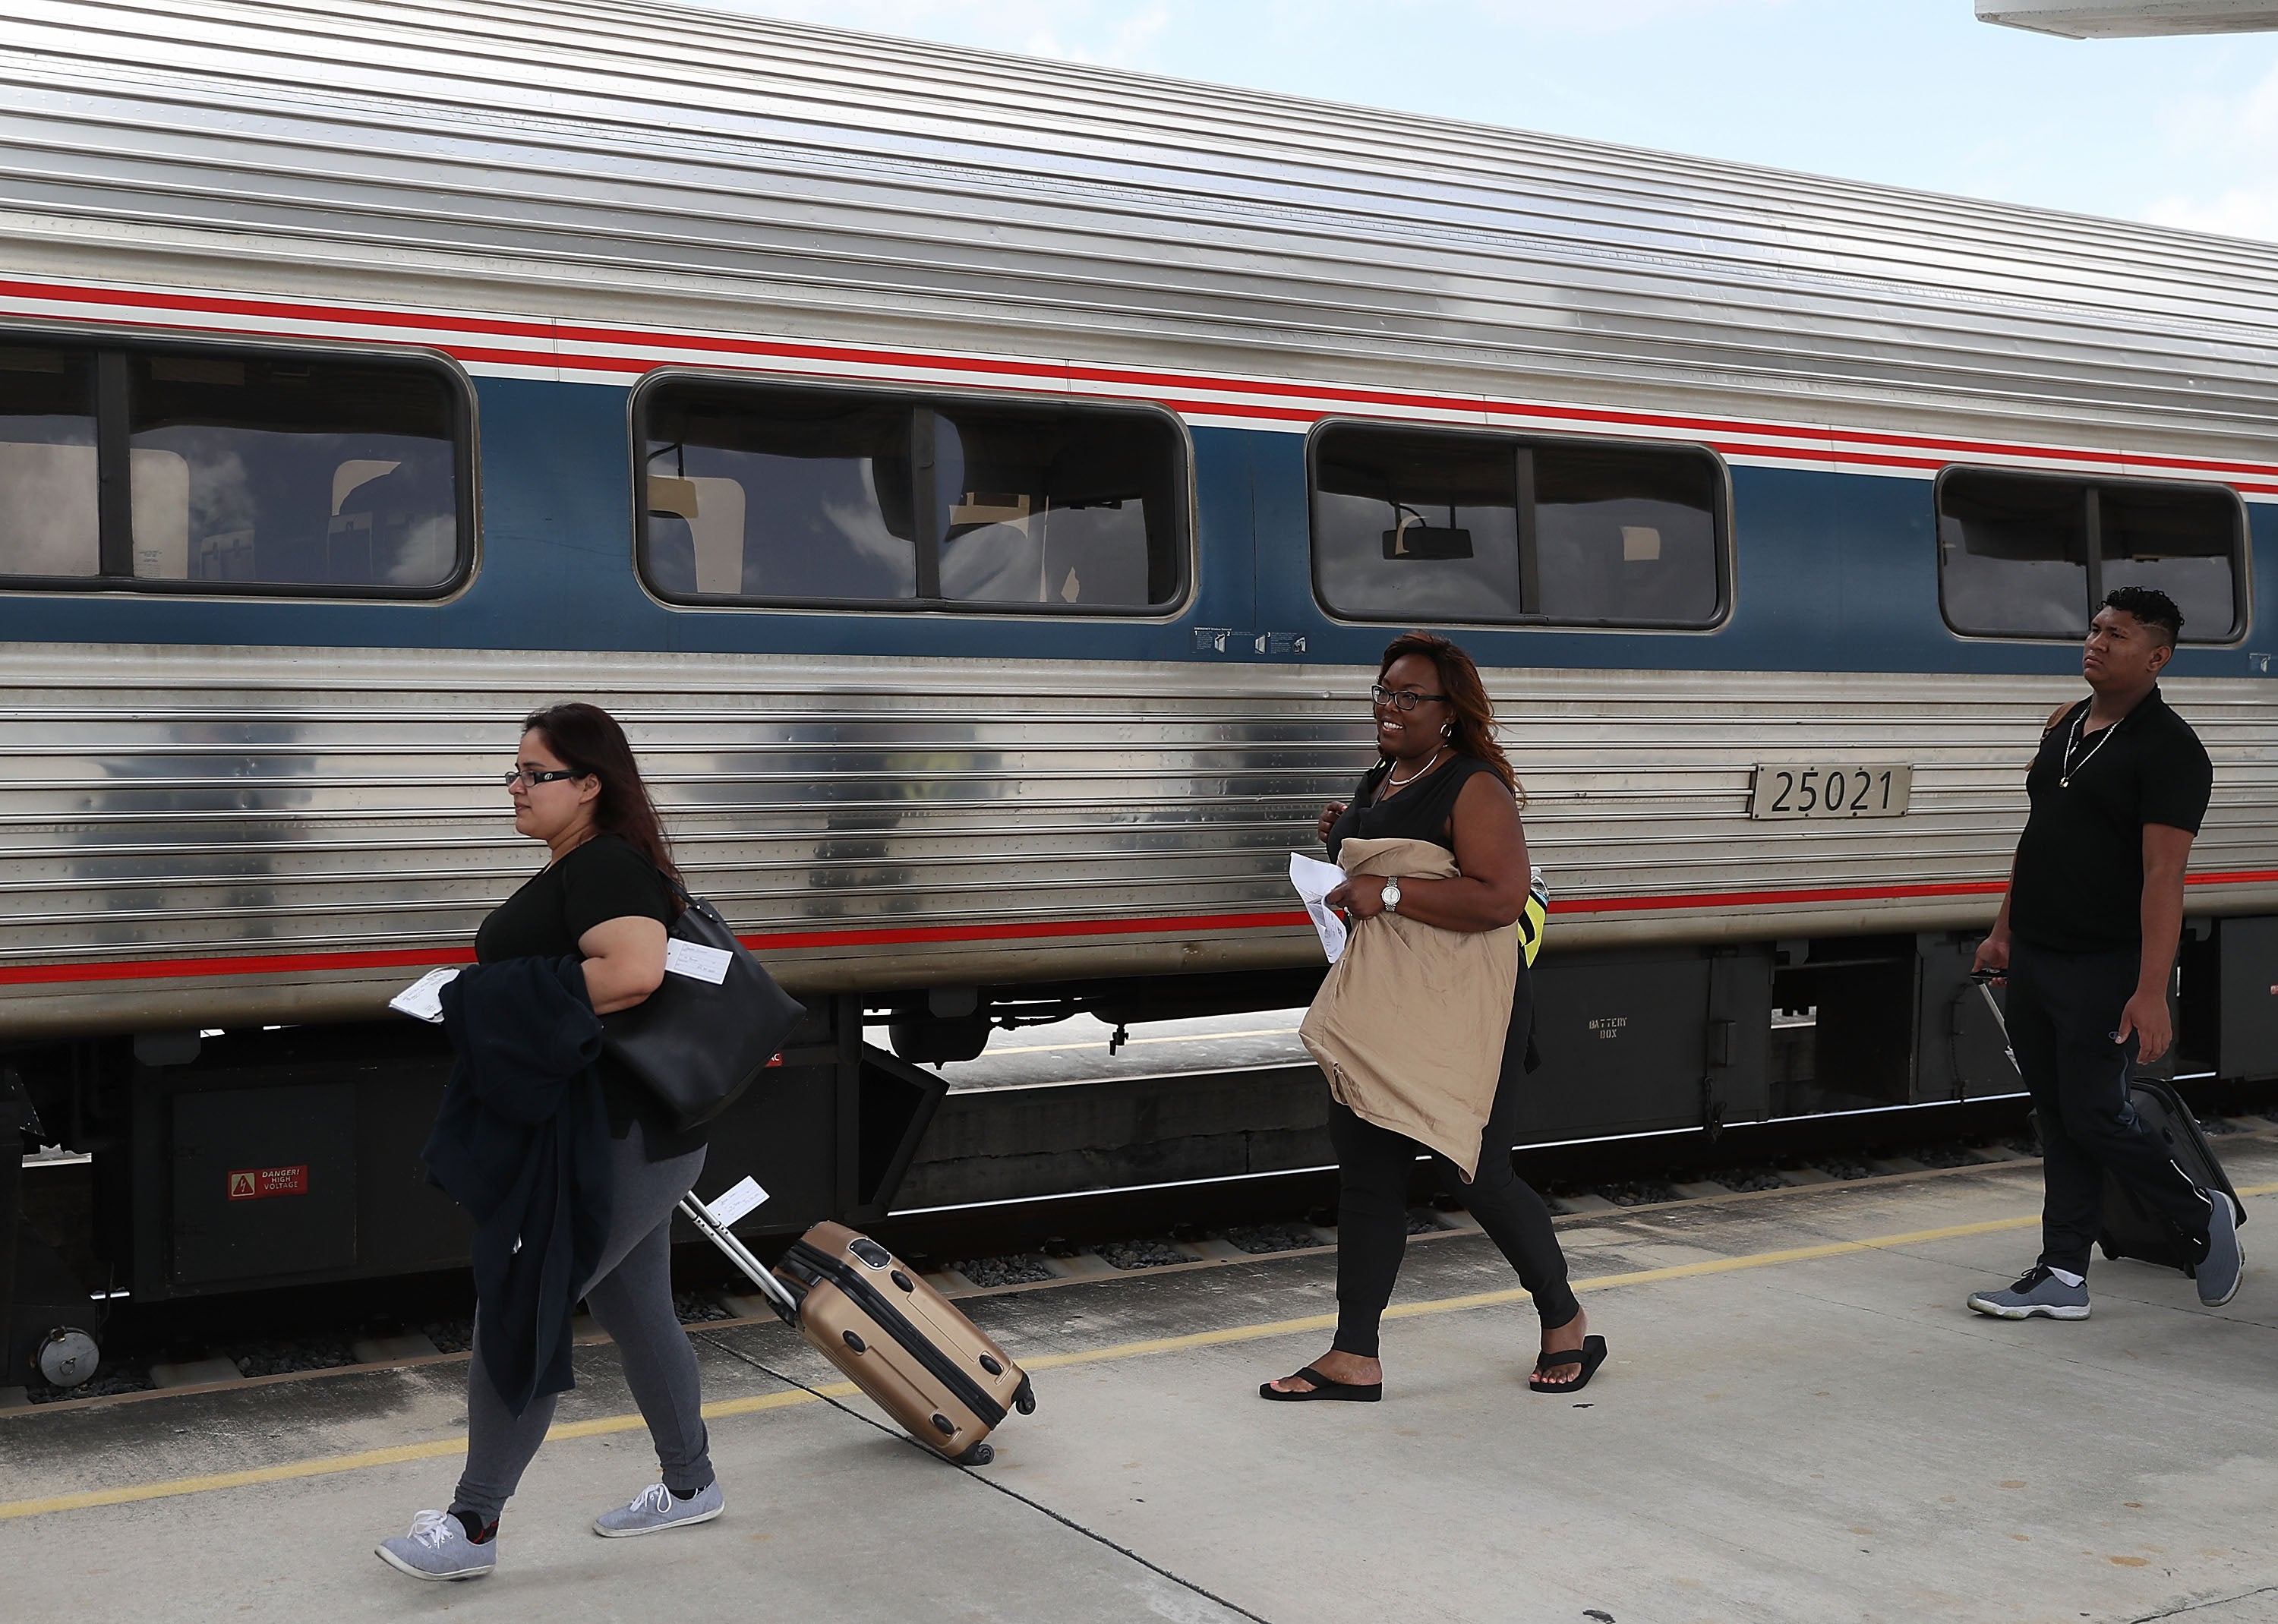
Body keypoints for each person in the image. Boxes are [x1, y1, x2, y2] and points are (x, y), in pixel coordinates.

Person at [379, 702, 721, 1581]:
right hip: (627, 1128)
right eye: (515, 772)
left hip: (616, 1137)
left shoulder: (606, 867)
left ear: (590, 785)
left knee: (523, 1302)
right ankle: (691, 1487)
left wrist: (482, 994)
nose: (516, 789)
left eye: (535, 774)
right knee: (634, 1307)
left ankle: (473, 1526)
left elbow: (633, 972)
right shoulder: (585, 865)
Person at [1263, 631, 1604, 1402]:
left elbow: (1499, 896)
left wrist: (1386, 890)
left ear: (1450, 712)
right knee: (1368, 1173)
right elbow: (1401, 857)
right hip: (1386, 1004)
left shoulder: (1475, 785)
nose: (1388, 706)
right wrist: (1343, 839)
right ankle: (1355, 1355)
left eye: (1408, 696)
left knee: (1477, 1172)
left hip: (1464, 1008)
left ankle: (1565, 1319)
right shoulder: (1380, 779)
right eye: (1382, 691)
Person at [1967, 586, 2241, 1322]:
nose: (2095, 641)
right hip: (2040, 956)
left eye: (2115, 635)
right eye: (2094, 628)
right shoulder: (2064, 725)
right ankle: (2062, 1273)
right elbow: (2040, 840)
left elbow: (2164, 877)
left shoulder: (2172, 751)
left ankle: (2197, 1208)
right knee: (2058, 1117)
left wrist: (2151, 990)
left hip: (2105, 963)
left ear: (2157, 657)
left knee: (2093, 1114)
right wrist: (2004, 929)